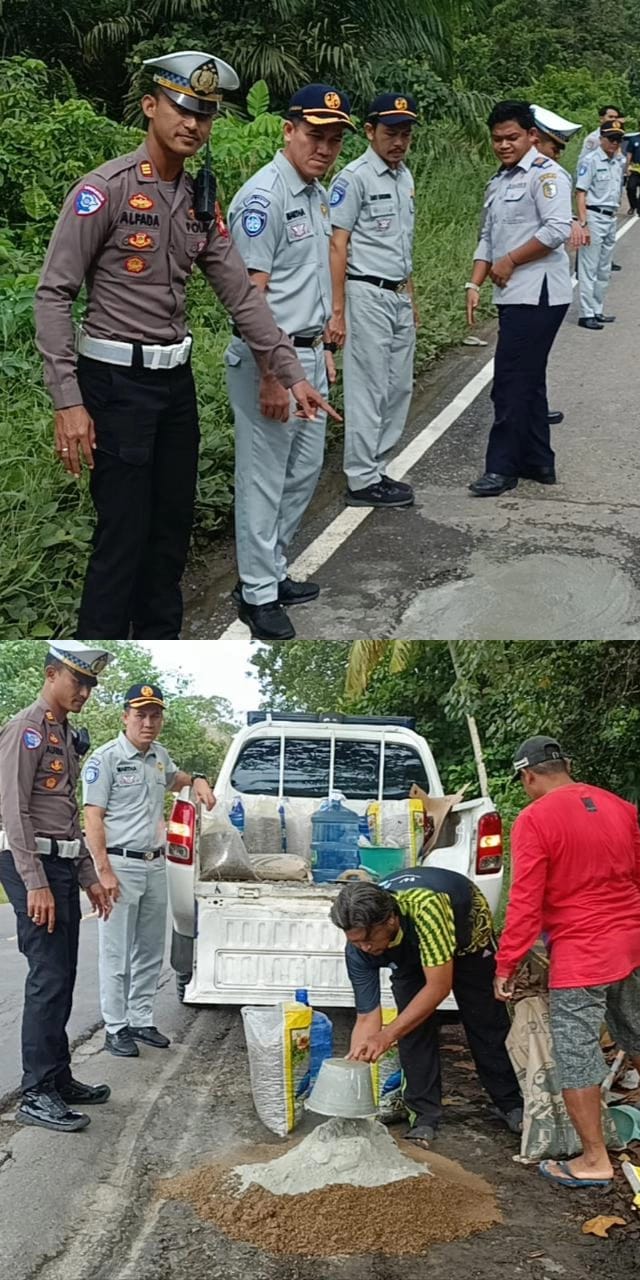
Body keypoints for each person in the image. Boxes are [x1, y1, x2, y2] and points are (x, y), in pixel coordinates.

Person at [34, 51, 335, 642]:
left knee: (171, 534)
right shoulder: (105, 191)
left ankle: (159, 642)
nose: (193, 124)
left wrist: (288, 368)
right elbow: (53, 295)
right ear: (151, 107)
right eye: (182, 108)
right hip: (114, 386)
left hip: (174, 387)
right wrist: (67, 401)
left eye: (206, 114)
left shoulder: (200, 201)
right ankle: (101, 646)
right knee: (122, 536)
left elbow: (242, 297)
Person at [494, 736, 640, 1189]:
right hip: (628, 942)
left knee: (576, 1053)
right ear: (567, 765)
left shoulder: (534, 819)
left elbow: (525, 901)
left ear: (528, 775)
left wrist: (507, 963)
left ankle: (594, 1159)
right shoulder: (616, 806)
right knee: (632, 1020)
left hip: (583, 953)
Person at [225, 84, 353, 642]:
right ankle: (255, 593)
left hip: (307, 357)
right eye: (314, 135)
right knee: (264, 479)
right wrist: (274, 375)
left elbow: (311, 276)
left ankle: (272, 571)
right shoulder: (263, 198)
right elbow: (251, 297)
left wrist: (322, 346)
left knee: (302, 471)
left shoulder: (314, 192)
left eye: (332, 139)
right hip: (270, 361)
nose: (323, 148)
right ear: (287, 131)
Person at [0, 642, 113, 1133]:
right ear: (50, 675)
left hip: (62, 864)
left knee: (63, 974)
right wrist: (35, 884)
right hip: (33, 866)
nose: (84, 692)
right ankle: (36, 1091)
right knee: (47, 977)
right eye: (77, 681)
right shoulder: (26, 730)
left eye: (89, 685)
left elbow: (67, 813)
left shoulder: (62, 733)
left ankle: (58, 1075)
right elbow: (13, 811)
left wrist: (89, 877)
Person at [333, 868, 523, 1144]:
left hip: (465, 937)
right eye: (355, 941)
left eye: (367, 939)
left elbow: (438, 987)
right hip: (407, 945)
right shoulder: (359, 950)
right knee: (411, 1027)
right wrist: (355, 1066)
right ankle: (423, 1116)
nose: (363, 947)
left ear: (390, 920)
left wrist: (386, 1036)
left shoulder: (427, 907)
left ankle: (511, 1103)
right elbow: (366, 1018)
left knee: (484, 1019)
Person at [82, 682, 216, 1056]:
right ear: (125, 716)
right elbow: (93, 818)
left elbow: (177, 780)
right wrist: (103, 870)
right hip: (119, 865)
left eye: (155, 715)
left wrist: (200, 778)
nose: (148, 722)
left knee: (149, 950)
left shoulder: (159, 756)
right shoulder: (105, 759)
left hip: (155, 864)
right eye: (140, 714)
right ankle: (115, 1026)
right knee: (116, 952)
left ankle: (141, 1020)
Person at [466, 100, 572, 497]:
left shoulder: (546, 176)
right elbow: (488, 238)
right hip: (513, 294)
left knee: (509, 382)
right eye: (497, 139)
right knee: (529, 379)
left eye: (512, 137)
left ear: (532, 136)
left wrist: (511, 260)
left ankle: (502, 468)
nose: (504, 145)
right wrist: (475, 284)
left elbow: (557, 229)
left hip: (539, 294)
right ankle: (538, 461)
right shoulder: (500, 181)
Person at [328, 93, 419, 508]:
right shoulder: (354, 178)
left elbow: (403, 245)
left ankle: (377, 467)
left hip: (397, 293)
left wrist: (411, 295)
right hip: (365, 292)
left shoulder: (405, 178)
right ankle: (361, 479)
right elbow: (337, 244)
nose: (398, 142)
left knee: (398, 386)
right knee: (368, 387)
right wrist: (338, 309)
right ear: (369, 132)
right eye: (390, 133)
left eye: (405, 134)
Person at [531, 104, 587, 429]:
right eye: (555, 147)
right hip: (529, 280)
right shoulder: (536, 175)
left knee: (536, 355)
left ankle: (535, 405)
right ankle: (528, 407)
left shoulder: (546, 175)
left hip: (546, 280)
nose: (558, 155)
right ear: (536, 140)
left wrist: (569, 220)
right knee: (528, 356)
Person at [575, 121, 625, 330]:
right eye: (611, 139)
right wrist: (583, 223)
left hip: (611, 217)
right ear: (601, 138)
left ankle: (597, 309)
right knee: (589, 267)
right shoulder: (591, 161)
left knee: (604, 269)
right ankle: (586, 314)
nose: (614, 143)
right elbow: (580, 192)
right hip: (594, 217)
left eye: (618, 139)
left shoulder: (617, 162)